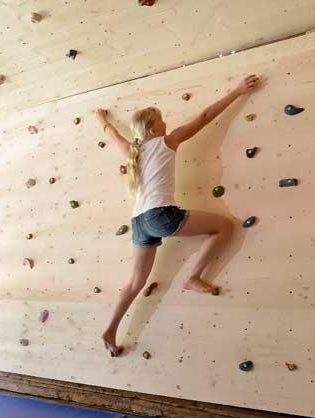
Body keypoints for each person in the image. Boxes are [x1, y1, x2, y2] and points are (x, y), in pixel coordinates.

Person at [96, 74, 261, 357]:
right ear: (153, 129)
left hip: (139, 222)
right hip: (160, 215)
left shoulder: (132, 152)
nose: (166, 124)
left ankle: (110, 329)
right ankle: (194, 277)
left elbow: (113, 135)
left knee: (135, 283)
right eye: (161, 121)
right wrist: (237, 91)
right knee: (224, 226)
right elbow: (205, 117)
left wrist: (102, 120)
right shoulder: (167, 141)